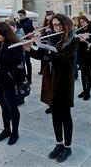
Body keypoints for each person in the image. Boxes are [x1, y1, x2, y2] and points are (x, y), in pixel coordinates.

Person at [24, 14, 78, 163]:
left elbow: (61, 58)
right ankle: (58, 144)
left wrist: (42, 47)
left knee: (65, 114)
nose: (58, 28)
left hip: (64, 81)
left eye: (60, 25)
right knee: (55, 114)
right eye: (55, 25)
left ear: (66, 25)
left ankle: (68, 146)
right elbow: (43, 56)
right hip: (51, 80)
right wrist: (30, 50)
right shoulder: (51, 38)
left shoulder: (73, 40)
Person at [0, 22, 24, 145]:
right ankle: (7, 130)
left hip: (9, 80)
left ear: (5, 33)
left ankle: (15, 132)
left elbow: (15, 61)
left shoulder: (15, 44)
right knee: (3, 107)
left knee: (12, 108)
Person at [75, 15, 91, 100]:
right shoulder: (79, 30)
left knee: (88, 74)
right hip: (81, 54)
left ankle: (88, 92)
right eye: (81, 22)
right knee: (83, 74)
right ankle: (84, 90)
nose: (82, 23)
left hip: (88, 54)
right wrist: (78, 39)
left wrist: (85, 39)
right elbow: (76, 42)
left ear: (86, 21)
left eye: (83, 21)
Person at [17, 9, 34, 84]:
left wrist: (18, 24)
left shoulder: (29, 21)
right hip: (20, 43)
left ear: (24, 15)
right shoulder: (19, 22)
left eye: (21, 15)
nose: (19, 17)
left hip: (27, 43)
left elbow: (27, 27)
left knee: (27, 61)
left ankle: (29, 78)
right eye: (19, 15)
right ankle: (23, 76)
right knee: (21, 61)